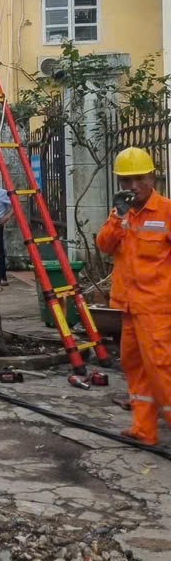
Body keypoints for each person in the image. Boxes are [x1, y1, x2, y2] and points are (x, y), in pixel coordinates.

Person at [96, 147, 171, 446]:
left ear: (151, 177)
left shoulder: (166, 211)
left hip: (156, 308)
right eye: (126, 181)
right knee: (134, 366)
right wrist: (117, 218)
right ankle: (143, 428)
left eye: (138, 178)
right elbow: (103, 244)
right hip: (127, 307)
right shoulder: (120, 214)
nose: (132, 186)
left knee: (161, 369)